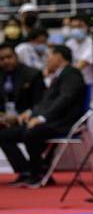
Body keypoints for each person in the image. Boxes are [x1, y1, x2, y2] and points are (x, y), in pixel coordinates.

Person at [0, 45, 86, 187]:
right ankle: (27, 171)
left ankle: (38, 173)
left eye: (49, 56)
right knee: (4, 135)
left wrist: (41, 119)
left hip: (63, 122)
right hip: (51, 120)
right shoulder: (59, 76)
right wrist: (31, 113)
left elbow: (64, 100)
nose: (46, 60)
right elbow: (45, 102)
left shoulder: (72, 73)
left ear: (59, 57)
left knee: (32, 133)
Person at [0, 44, 45, 185]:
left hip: (30, 119)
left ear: (16, 56)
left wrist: (23, 116)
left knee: (8, 135)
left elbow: (41, 103)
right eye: (1, 59)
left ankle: (32, 170)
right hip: (5, 119)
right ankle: (24, 169)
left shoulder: (32, 74)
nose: (6, 61)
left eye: (9, 57)